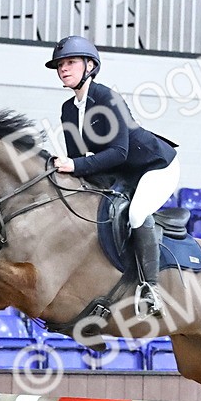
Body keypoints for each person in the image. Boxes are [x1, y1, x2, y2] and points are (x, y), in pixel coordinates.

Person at [45, 35, 179, 317]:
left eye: (70, 62)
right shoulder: (68, 109)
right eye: (60, 65)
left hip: (155, 166)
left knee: (137, 214)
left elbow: (118, 152)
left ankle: (150, 289)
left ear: (90, 66)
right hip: (121, 173)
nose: (63, 69)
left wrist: (75, 165)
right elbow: (80, 157)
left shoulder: (107, 98)